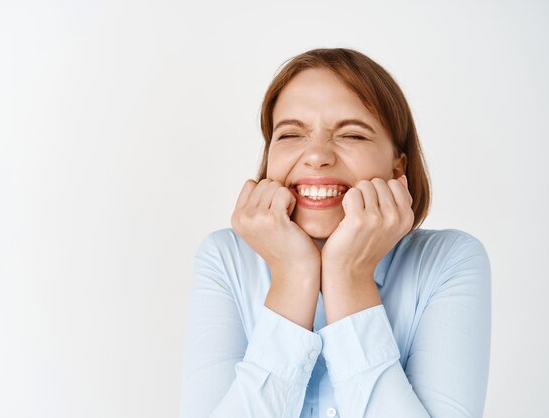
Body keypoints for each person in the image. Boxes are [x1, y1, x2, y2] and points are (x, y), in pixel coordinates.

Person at [179, 48, 491, 418]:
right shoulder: (225, 257)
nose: (316, 155)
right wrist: (294, 274)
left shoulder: (450, 260)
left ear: (398, 165)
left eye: (352, 135)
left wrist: (350, 275)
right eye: (291, 134)